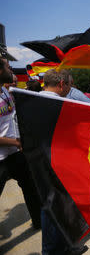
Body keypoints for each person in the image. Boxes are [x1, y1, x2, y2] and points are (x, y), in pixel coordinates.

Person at [39, 69, 88, 255]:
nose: (70, 89)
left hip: (43, 162)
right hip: (58, 165)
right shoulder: (60, 105)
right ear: (61, 84)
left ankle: (65, 246)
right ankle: (53, 251)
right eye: (69, 85)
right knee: (54, 209)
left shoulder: (31, 101)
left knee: (58, 209)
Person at [0, 59, 41, 230]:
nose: (11, 69)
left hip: (15, 154)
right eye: (7, 67)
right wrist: (17, 142)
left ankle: (39, 223)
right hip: (2, 159)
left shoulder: (4, 91)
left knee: (31, 186)